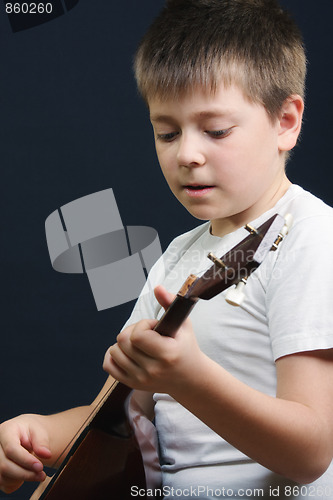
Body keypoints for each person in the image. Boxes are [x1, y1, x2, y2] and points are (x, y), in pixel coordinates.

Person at [1, 0, 333, 498]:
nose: (187, 154)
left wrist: (191, 378)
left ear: (285, 121)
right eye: (167, 132)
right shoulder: (179, 254)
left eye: (216, 130)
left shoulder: (311, 237)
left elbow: (310, 452)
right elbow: (124, 412)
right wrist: (41, 435)